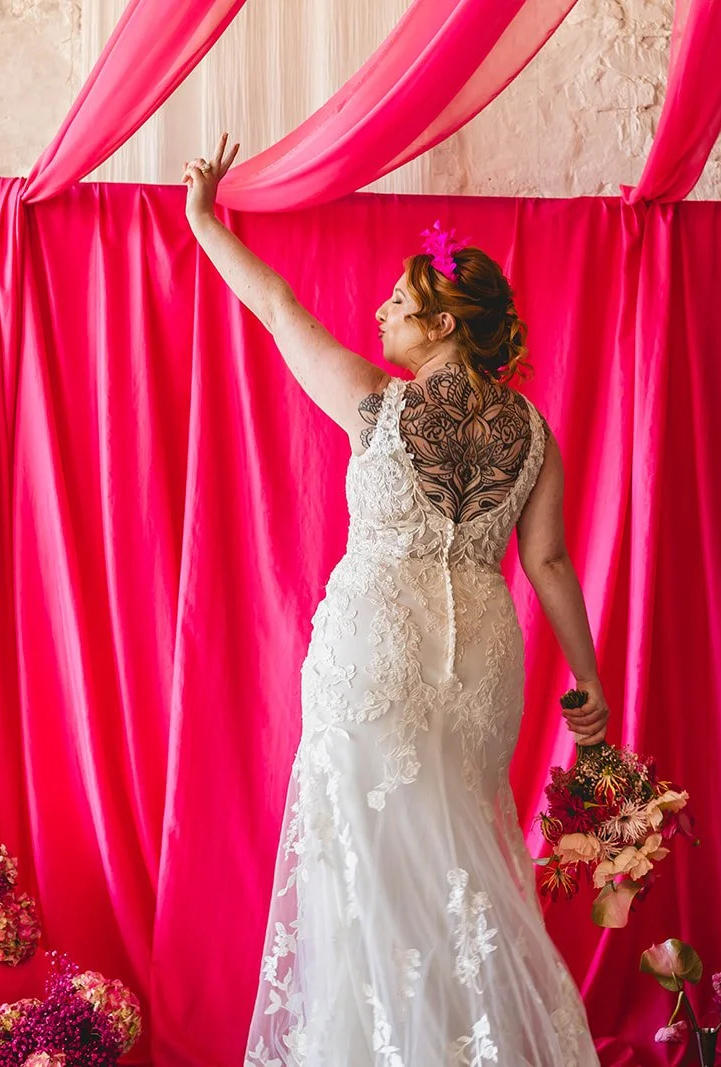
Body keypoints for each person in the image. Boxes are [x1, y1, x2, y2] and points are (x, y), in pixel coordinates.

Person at [182, 135, 608, 1066]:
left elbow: (277, 305)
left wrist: (203, 221)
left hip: (375, 648)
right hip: (482, 661)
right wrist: (590, 686)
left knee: (368, 875)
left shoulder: (377, 403)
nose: (381, 311)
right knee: (463, 870)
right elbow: (551, 565)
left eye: (401, 303)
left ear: (444, 324)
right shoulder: (534, 430)